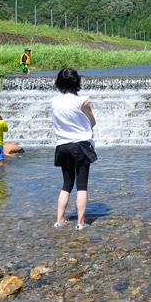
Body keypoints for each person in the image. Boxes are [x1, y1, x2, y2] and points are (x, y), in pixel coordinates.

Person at [50, 68, 97, 230]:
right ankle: (80, 222)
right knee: (82, 185)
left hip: (62, 145)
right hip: (81, 145)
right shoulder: (82, 101)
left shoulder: (53, 101)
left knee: (66, 184)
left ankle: (59, 219)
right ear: (77, 82)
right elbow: (93, 122)